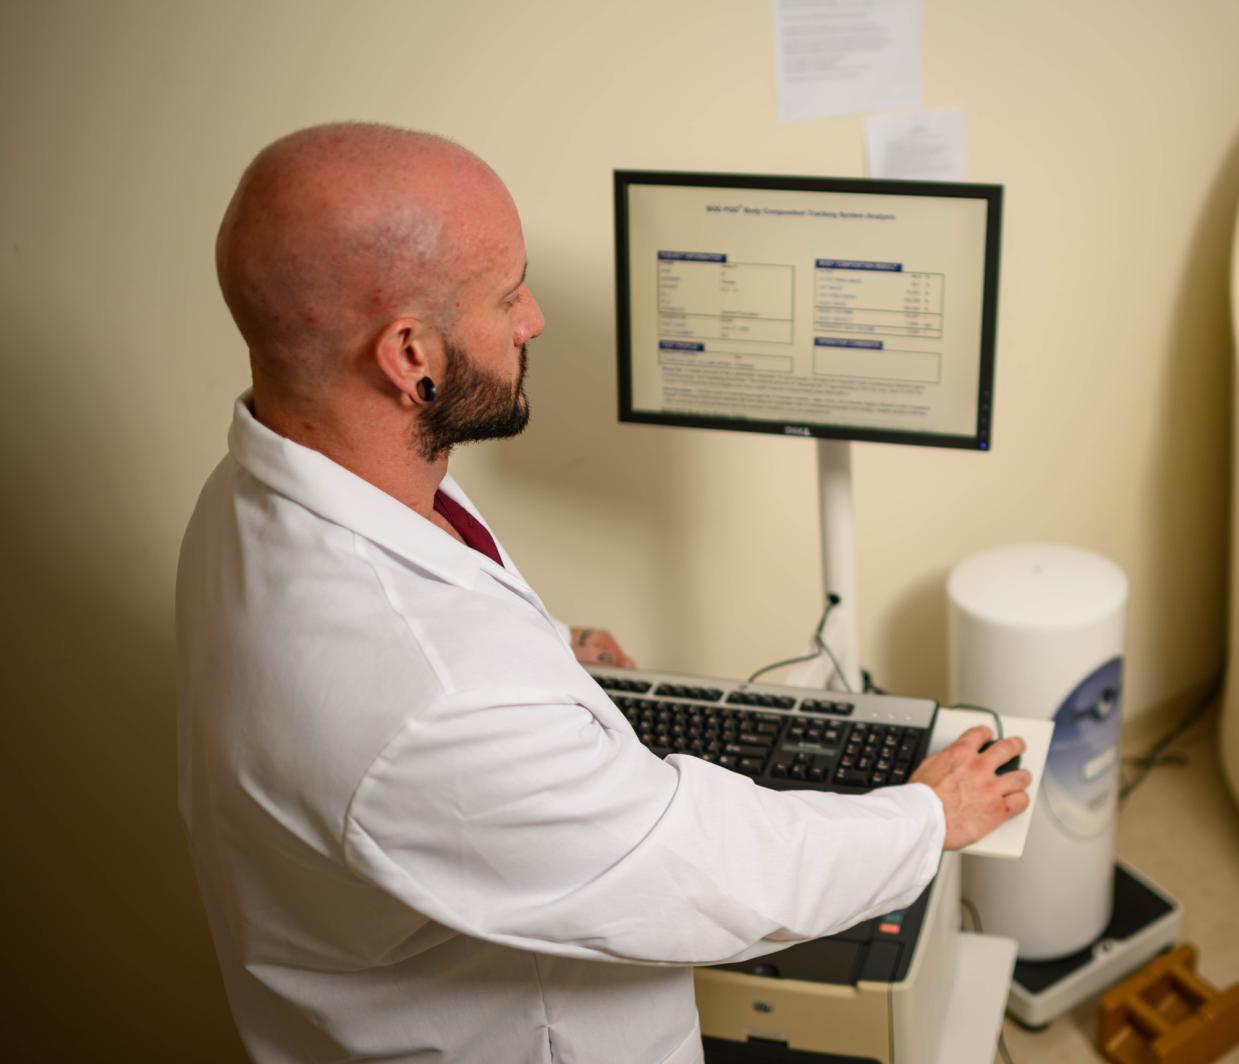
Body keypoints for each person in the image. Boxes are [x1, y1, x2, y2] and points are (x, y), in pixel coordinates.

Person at [176, 123, 1030, 1064]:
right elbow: (709, 875)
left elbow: (418, 652)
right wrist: (925, 818)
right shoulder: (437, 702)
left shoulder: (255, 490)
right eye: (507, 295)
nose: (533, 318)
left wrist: (543, 657)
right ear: (410, 355)